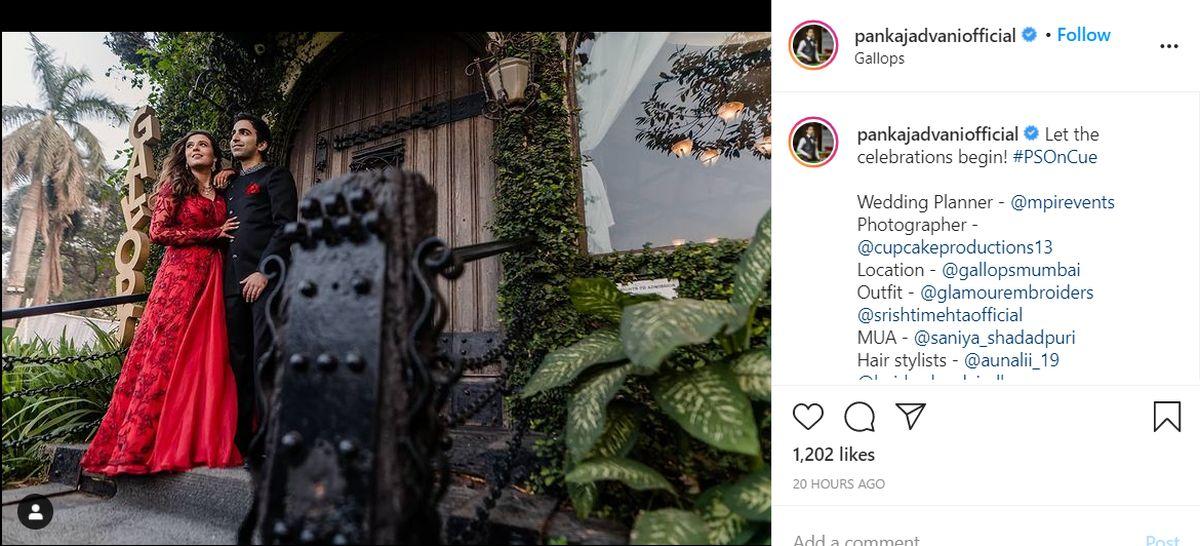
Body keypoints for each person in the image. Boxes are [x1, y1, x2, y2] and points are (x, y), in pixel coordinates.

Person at [81, 131, 243, 476]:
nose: (196, 149)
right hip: (178, 279)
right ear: (183, 156)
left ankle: (193, 435)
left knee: (204, 355)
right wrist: (210, 234)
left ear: (215, 155)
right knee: (166, 353)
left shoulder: (222, 189)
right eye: (189, 146)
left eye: (203, 145)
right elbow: (158, 232)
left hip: (213, 278)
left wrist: (232, 175)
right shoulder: (175, 187)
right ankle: (139, 446)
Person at [213, 113, 298, 457]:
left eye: (244, 133)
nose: (235, 138)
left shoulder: (276, 177)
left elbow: (286, 226)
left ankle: (270, 440)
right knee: (239, 361)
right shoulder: (230, 184)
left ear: (261, 143)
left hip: (264, 282)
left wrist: (264, 271)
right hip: (232, 285)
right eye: (233, 133)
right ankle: (245, 440)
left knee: (265, 358)